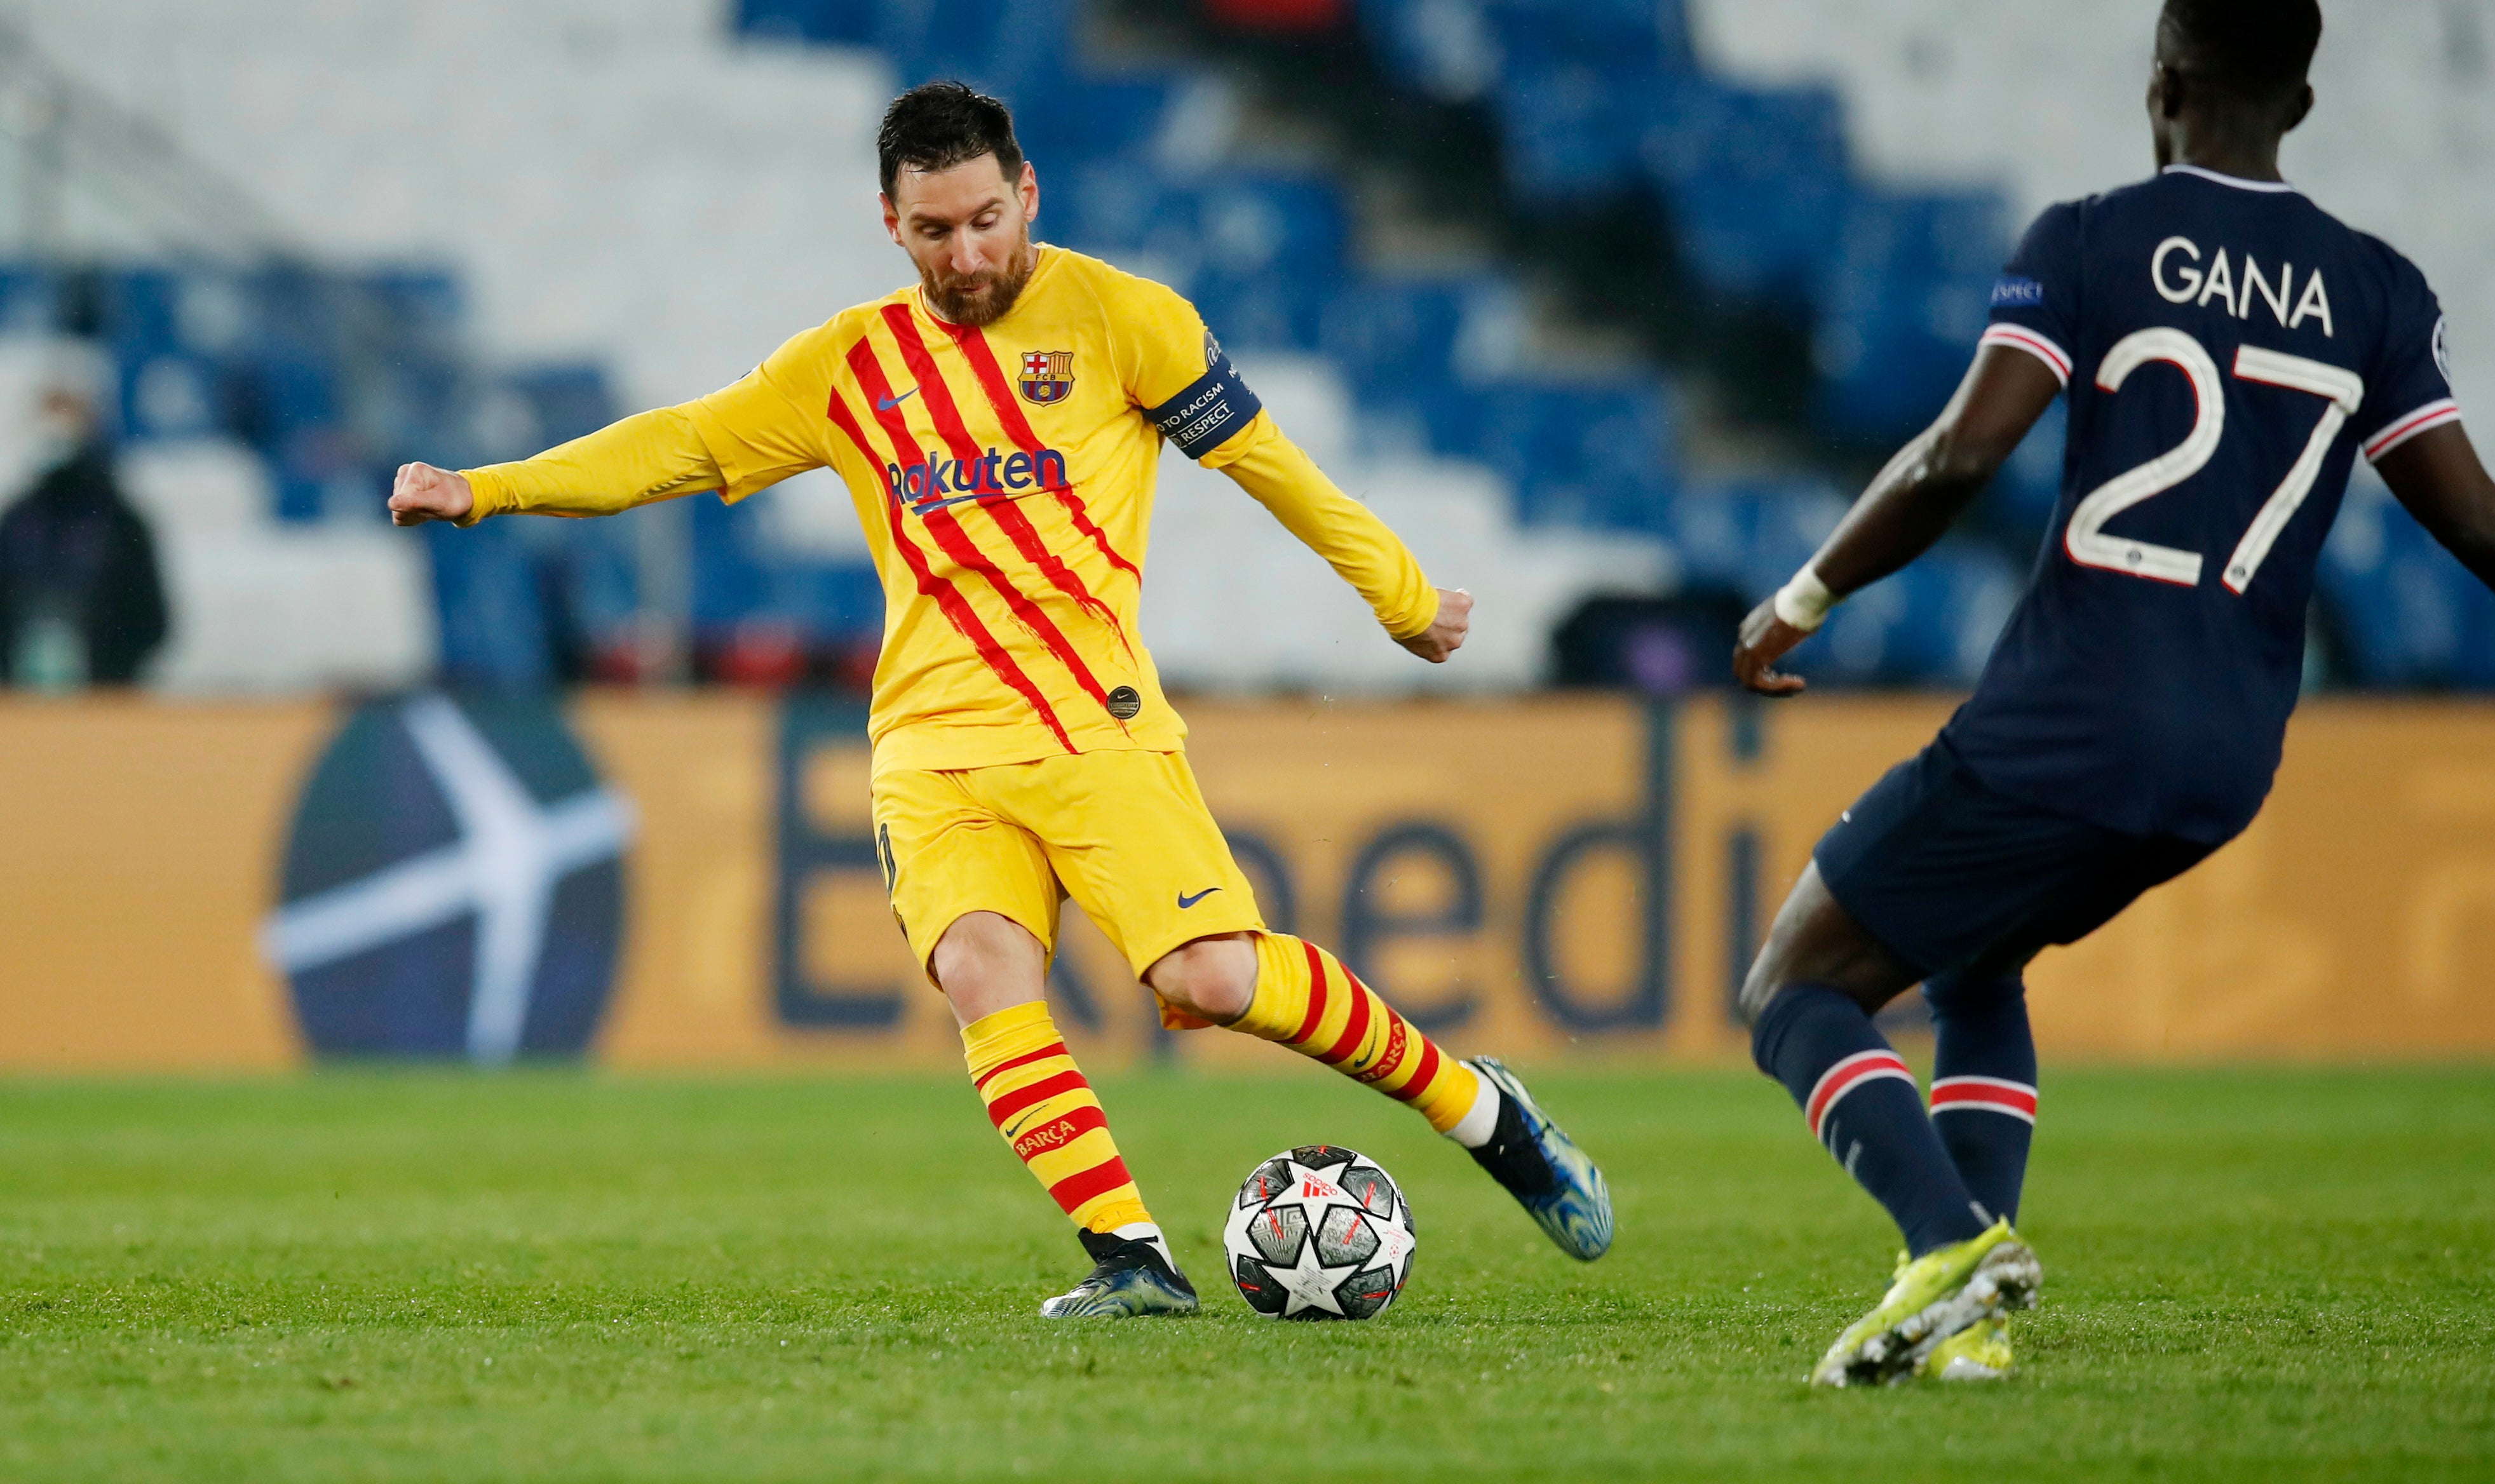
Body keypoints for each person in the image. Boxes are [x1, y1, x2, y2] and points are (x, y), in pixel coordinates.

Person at [388, 81, 1613, 1317]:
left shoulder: (1123, 321)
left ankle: (1481, 1108)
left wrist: (1398, 594)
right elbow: (683, 443)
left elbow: (1270, 468)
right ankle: (1132, 1256)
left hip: (1094, 727)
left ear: (1026, 194)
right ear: (890, 223)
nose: (965, 254)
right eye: (934, 231)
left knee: (1208, 981)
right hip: (927, 745)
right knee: (981, 973)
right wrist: (485, 489)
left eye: (984, 220)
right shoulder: (850, 364)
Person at [1730, 0, 2495, 1388]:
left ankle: (1940, 1245)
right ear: (2302, 103)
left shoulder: (2088, 241)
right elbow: (2478, 524)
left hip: (2067, 719)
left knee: (1794, 984)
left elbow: (1958, 452)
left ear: (2156, 87)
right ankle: (1969, 1329)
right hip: (2226, 758)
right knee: (1976, 957)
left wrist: (1802, 595)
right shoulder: (2376, 290)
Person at [0, 375, 169, 689]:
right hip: (19, 705)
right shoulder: (15, 521)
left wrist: (102, 666)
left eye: (65, 423)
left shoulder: (121, 522)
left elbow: (152, 621)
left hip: (101, 700)